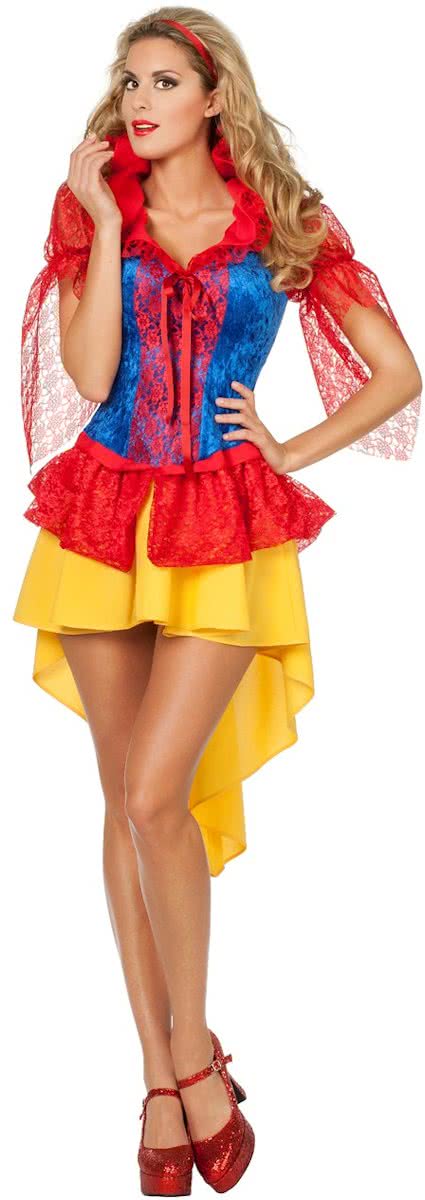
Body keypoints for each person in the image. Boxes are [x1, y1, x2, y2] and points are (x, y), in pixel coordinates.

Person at [12, 8, 422, 1195]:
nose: (138, 100)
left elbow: (395, 372)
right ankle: (160, 1076)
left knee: (156, 791)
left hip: (225, 521)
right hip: (105, 514)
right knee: (122, 801)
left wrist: (287, 448)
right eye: (127, 80)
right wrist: (100, 223)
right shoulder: (97, 211)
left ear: (211, 98)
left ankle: (193, 1053)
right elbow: (92, 374)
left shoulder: (284, 219)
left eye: (162, 81)